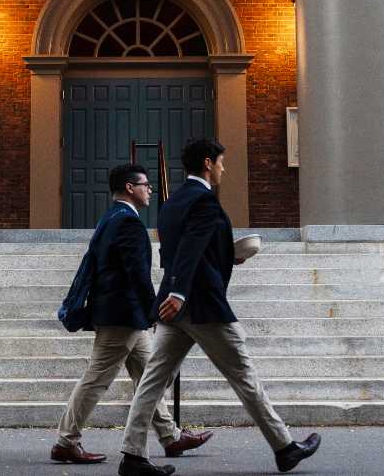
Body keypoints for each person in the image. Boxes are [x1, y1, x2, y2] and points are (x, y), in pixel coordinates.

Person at [117, 138, 320, 476]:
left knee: (152, 381)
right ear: (208, 163)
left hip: (173, 305)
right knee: (244, 376)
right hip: (201, 304)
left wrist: (227, 257)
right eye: (222, 162)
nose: (224, 168)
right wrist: (181, 291)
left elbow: (175, 252)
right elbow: (191, 248)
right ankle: (285, 447)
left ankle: (132, 456)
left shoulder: (170, 204)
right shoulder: (205, 201)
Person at [51, 163, 213, 465]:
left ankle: (170, 436)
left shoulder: (111, 217)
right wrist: (155, 309)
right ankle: (66, 440)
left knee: (149, 374)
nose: (149, 189)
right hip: (121, 315)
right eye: (145, 184)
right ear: (129, 188)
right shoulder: (129, 223)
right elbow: (136, 273)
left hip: (123, 314)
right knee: (96, 378)